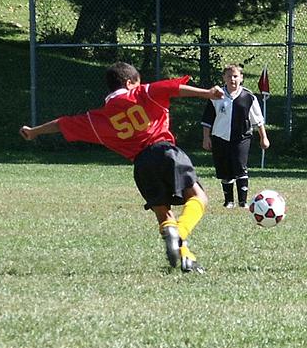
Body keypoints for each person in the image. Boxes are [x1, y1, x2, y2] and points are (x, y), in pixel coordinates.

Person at [19, 62, 224, 273]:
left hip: (141, 165)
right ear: (129, 83)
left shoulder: (97, 118)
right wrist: (206, 93)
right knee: (199, 198)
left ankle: (186, 258)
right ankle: (180, 234)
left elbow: (62, 123)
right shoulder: (143, 92)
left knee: (164, 214)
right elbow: (174, 89)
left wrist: (34, 131)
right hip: (165, 152)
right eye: (138, 82)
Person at [201, 64, 270, 208]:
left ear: (241, 78)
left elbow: (258, 119)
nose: (232, 79)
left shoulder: (248, 96)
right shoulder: (216, 96)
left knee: (240, 166)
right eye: (229, 76)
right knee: (224, 169)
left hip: (241, 138)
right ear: (224, 78)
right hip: (220, 138)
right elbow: (207, 120)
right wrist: (206, 137)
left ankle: (243, 202)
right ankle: (229, 201)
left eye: (235, 76)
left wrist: (263, 137)